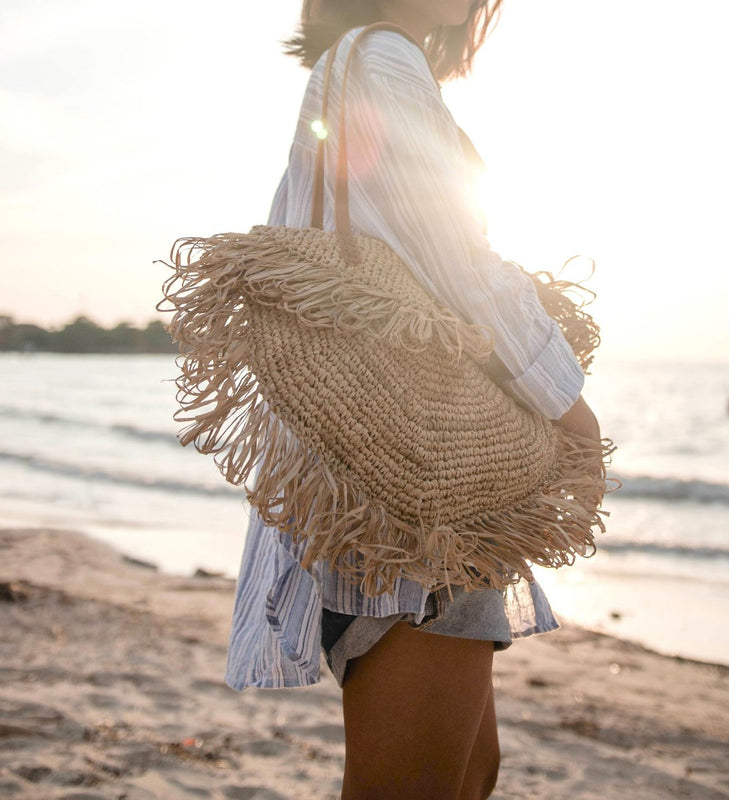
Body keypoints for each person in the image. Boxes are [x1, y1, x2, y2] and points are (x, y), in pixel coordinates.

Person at [225, 2, 602, 798]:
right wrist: (572, 410)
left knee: (468, 773)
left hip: (406, 499)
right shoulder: (379, 62)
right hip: (416, 512)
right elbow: (460, 262)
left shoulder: (367, 64)